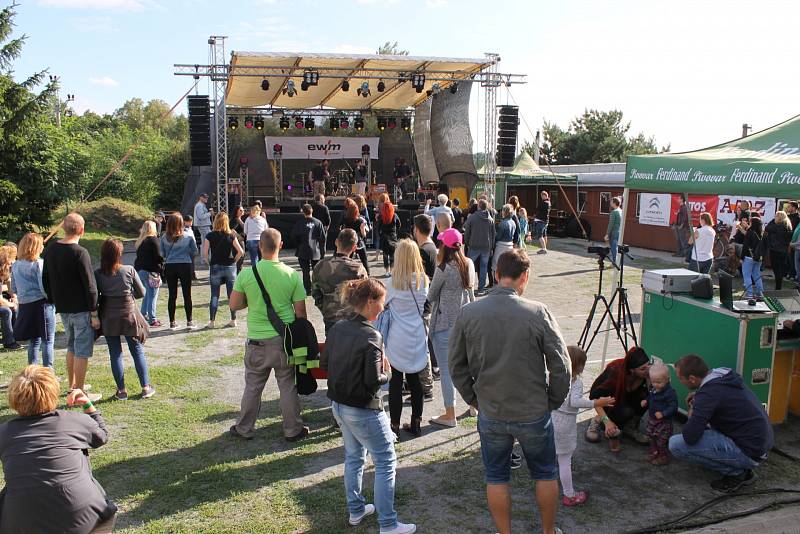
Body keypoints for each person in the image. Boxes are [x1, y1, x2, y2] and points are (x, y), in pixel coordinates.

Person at [449, 248, 570, 534]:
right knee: (545, 473)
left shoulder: (469, 312)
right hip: (532, 410)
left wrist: (475, 399)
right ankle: (548, 532)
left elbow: (456, 366)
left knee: (496, 477)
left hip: (492, 409)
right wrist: (550, 401)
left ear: (495, 274)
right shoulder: (537, 312)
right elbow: (562, 365)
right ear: (524, 277)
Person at [322, 278, 417, 534]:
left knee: (354, 458)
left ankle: (356, 510)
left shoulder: (338, 328)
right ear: (370, 302)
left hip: (339, 406)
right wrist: (387, 372)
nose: (384, 307)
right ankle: (388, 524)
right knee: (386, 460)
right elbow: (374, 381)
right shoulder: (371, 336)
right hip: (363, 410)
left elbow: (325, 362)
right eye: (382, 301)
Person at [0, 366, 116, 533]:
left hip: (21, 522)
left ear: (14, 397)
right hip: (85, 516)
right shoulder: (75, 421)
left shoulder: (4, 432)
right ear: (53, 393)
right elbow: (102, 436)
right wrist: (89, 405)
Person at [229, 228, 309, 442]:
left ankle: (244, 427)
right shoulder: (292, 274)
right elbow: (301, 313)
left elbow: (234, 304)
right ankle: (293, 429)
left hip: (256, 341)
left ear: (259, 246)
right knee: (287, 385)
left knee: (253, 387)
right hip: (284, 341)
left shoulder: (247, 274)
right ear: (280, 246)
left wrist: (252, 301)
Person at [669, 354, 773, 493]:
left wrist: (694, 408)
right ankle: (739, 465)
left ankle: (737, 473)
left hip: (750, 451)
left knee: (676, 444)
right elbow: (719, 397)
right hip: (759, 443)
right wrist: (700, 396)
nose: (679, 381)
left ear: (692, 379)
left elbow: (690, 436)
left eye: (680, 378)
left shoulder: (708, 396)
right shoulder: (721, 376)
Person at [42, 213, 101, 402]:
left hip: (63, 307)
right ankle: (79, 393)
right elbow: (90, 285)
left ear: (63, 229)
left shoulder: (51, 249)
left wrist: (53, 299)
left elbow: (46, 279)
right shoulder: (80, 252)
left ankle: (72, 386)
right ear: (82, 230)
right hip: (81, 308)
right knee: (81, 350)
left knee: (72, 347)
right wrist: (94, 312)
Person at [552, 346, 614, 506]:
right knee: (565, 460)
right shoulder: (576, 382)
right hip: (565, 423)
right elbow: (575, 402)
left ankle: (546, 483)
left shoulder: (553, 376)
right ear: (580, 366)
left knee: (551, 453)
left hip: (551, 417)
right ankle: (569, 495)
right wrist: (596, 402)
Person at [94, 239, 155, 401]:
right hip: (129, 314)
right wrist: (129, 297)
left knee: (115, 353)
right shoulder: (129, 270)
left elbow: (95, 295)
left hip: (108, 315)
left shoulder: (98, 274)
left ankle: (121, 391)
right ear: (119, 254)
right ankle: (146, 387)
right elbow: (142, 292)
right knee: (136, 350)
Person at [426, 229, 475, 428]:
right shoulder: (469, 264)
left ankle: (450, 413)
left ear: (444, 246)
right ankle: (474, 405)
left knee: (447, 371)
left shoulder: (444, 268)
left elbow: (431, 295)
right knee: (469, 367)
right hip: (466, 323)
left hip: (444, 324)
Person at [384, 239, 429, 439]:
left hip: (398, 335)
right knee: (415, 380)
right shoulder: (424, 280)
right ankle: (416, 422)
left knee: (396, 381)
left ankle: (393, 426)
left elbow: (384, 304)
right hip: (417, 334)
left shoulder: (393, 282)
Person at [586, 347, 651, 452]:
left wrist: (651, 382)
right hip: (608, 401)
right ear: (632, 370)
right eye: (643, 369)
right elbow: (595, 400)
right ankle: (598, 419)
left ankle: (630, 427)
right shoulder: (615, 374)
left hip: (625, 398)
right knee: (625, 412)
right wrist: (607, 422)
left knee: (648, 398)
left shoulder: (646, 375)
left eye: (649, 365)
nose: (647, 370)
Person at [312, 229, 368, 334]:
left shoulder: (320, 266)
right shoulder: (359, 269)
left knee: (332, 348)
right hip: (353, 321)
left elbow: (315, 293)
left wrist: (326, 309)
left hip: (331, 319)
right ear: (354, 248)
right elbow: (365, 297)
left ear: (336, 242)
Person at [12, 233, 55, 366]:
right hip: (41, 305)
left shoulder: (16, 265)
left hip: (25, 305)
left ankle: (32, 369)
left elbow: (14, 288)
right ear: (36, 247)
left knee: (34, 341)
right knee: (47, 340)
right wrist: (51, 299)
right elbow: (43, 287)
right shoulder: (38, 264)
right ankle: (48, 371)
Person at [412, 214, 439, 395]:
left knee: (422, 343)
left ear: (416, 229)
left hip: (424, 304)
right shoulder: (433, 247)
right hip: (430, 302)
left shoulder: (423, 251)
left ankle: (425, 382)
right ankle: (433, 370)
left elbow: (420, 279)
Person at [203, 212, 245, 329]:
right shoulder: (231, 235)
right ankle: (233, 320)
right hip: (230, 267)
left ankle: (212, 321)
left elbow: (205, 253)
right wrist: (235, 261)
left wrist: (208, 263)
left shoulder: (210, 235)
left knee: (214, 295)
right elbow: (241, 251)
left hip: (215, 266)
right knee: (231, 295)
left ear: (215, 221)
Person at [161, 213, 198, 330]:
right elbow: (194, 251)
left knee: (172, 295)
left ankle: (172, 322)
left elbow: (162, 254)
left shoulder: (163, 238)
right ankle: (189, 321)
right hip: (184, 264)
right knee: (187, 294)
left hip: (170, 266)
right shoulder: (188, 236)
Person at [640, 363, 677, 466]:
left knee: (662, 440)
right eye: (653, 382)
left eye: (659, 382)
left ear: (667, 379)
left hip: (664, 422)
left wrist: (663, 413)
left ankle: (663, 456)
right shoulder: (654, 388)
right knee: (651, 436)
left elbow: (673, 407)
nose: (655, 384)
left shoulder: (670, 393)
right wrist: (646, 401)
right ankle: (654, 451)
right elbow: (651, 396)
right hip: (653, 418)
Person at [134, 221, 164, 327]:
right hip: (151, 271)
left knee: (147, 294)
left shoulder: (140, 241)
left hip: (140, 270)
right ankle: (153, 319)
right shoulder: (153, 240)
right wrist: (162, 264)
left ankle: (143, 314)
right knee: (153, 295)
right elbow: (158, 256)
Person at [463, 199, 496, 294]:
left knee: (468, 267)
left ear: (478, 206)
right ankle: (481, 288)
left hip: (473, 246)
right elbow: (493, 234)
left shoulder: (472, 218)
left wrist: (467, 243)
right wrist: (491, 247)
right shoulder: (490, 219)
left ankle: (467, 286)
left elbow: (467, 232)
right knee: (483, 267)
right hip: (486, 246)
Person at [292, 204, 326, 294]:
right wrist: (322, 251)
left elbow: (294, 236)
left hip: (303, 250)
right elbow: (322, 238)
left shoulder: (299, 223)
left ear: (303, 212)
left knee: (305, 271)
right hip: (316, 251)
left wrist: (299, 245)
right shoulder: (318, 223)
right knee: (316, 271)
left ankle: (308, 290)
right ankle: (317, 288)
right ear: (312, 211)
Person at [341, 198, 370, 275]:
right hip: (359, 243)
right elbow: (363, 234)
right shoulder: (360, 221)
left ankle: (346, 275)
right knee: (364, 260)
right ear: (357, 211)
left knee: (348, 260)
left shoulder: (346, 219)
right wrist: (363, 230)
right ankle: (368, 274)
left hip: (349, 242)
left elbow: (344, 229)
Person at [765, 210, 793, 290]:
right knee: (780, 269)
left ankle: (778, 288)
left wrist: (774, 221)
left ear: (779, 218)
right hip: (783, 250)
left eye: (776, 216)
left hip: (775, 250)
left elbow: (767, 228)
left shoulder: (777, 226)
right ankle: (778, 287)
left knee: (777, 270)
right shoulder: (788, 226)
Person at [376, 193, 401, 275]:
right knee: (392, 255)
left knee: (385, 255)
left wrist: (380, 235)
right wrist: (395, 232)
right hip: (393, 236)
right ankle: (392, 270)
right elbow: (399, 225)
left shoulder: (380, 217)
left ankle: (387, 271)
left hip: (384, 236)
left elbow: (378, 228)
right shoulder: (395, 215)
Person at [741, 216, 765, 299]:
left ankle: (750, 293)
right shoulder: (761, 233)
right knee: (757, 275)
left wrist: (741, 257)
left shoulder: (750, 232)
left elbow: (745, 246)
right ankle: (760, 293)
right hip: (758, 257)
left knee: (747, 275)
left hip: (749, 257)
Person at [0, 245, 19, 349]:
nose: (13, 262)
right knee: (6, 311)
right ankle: (8, 342)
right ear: (6, 259)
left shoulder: (4, 271)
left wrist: (14, 297)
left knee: (12, 307)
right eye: (12, 259)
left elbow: (9, 283)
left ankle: (15, 336)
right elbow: (0, 300)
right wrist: (11, 304)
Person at [493, 205, 518, 270]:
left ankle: (498, 280)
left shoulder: (503, 223)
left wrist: (494, 234)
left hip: (501, 246)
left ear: (505, 212)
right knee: (507, 265)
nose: (501, 212)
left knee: (498, 265)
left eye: (502, 211)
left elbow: (498, 237)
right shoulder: (513, 222)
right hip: (510, 245)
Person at [604, 196, 623, 266]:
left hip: (614, 232)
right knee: (617, 248)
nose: (610, 203)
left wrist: (607, 234)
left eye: (611, 202)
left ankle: (615, 262)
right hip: (619, 232)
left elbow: (610, 224)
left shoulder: (614, 212)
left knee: (613, 248)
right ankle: (616, 262)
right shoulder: (621, 211)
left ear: (614, 203)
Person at [230, 205, 247, 273]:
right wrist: (238, 236)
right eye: (240, 210)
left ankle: (238, 274)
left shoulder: (238, 219)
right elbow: (231, 230)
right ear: (236, 211)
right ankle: (238, 276)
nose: (242, 211)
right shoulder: (235, 220)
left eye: (243, 210)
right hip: (238, 242)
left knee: (240, 259)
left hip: (240, 241)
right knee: (240, 259)